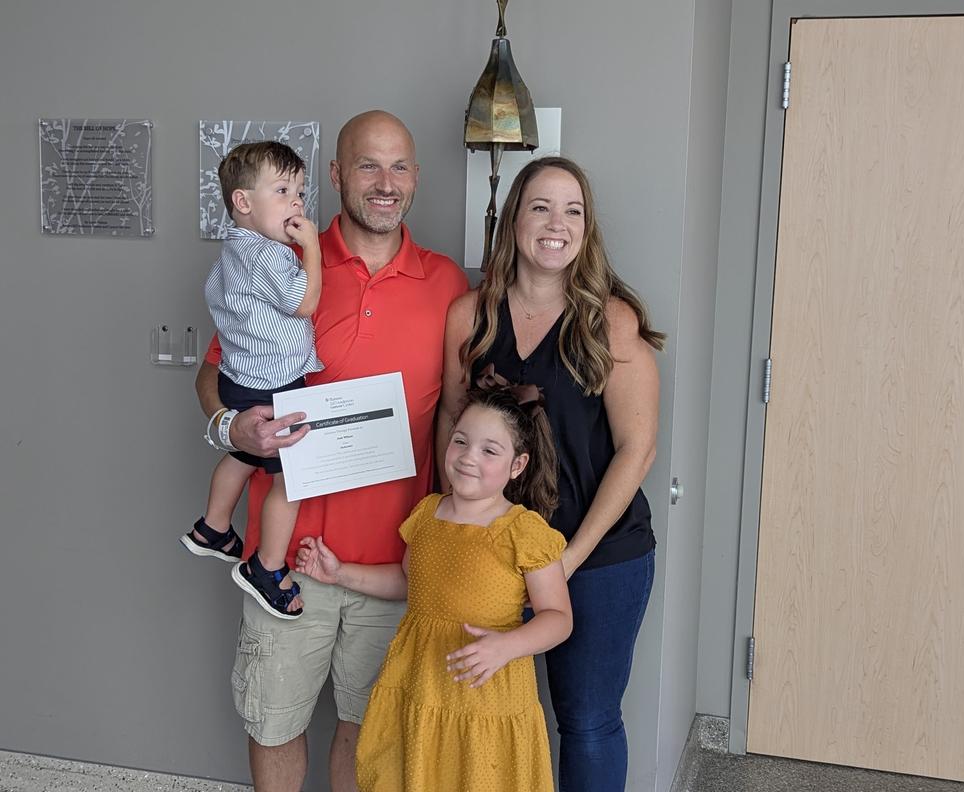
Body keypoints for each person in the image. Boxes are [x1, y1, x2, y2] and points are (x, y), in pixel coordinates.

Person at [195, 111, 468, 792]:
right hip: (284, 559)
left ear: (416, 178)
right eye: (368, 166)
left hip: (394, 562)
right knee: (274, 722)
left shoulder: (447, 285)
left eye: (400, 166)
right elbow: (214, 373)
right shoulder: (277, 259)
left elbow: (458, 415)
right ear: (336, 174)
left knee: (368, 730)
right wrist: (234, 429)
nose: (385, 183)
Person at [438, 156, 665, 792]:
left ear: (586, 229)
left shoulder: (609, 321)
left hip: (596, 557)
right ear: (514, 219)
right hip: (493, 549)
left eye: (573, 210)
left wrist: (564, 561)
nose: (556, 223)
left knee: (586, 720)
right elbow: (452, 424)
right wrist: (458, 528)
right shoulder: (471, 315)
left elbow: (636, 450)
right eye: (540, 206)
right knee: (481, 706)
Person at [293, 381, 572, 792]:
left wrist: (506, 646)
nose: (468, 458)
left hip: (484, 691)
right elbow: (408, 581)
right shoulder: (427, 512)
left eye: (489, 450)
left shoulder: (524, 531)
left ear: (518, 465)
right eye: (461, 441)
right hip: (419, 679)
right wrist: (340, 573)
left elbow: (559, 618)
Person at [185, 141, 321, 619]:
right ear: (244, 203)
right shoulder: (271, 255)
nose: (298, 202)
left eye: (300, 192)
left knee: (241, 455)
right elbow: (303, 304)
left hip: (240, 379)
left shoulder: (230, 254)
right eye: (283, 190)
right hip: (275, 381)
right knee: (294, 477)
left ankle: (213, 525)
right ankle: (265, 565)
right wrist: (313, 248)